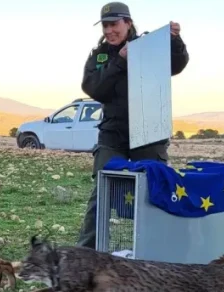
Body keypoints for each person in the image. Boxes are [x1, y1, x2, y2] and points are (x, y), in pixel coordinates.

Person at [76, 2, 189, 249]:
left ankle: (156, 252)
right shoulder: (100, 55)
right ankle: (85, 256)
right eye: (105, 25)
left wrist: (175, 41)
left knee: (154, 192)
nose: (109, 31)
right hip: (112, 135)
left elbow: (177, 65)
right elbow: (93, 87)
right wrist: (120, 61)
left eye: (114, 24)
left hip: (149, 135)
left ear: (128, 23)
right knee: (101, 195)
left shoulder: (149, 46)